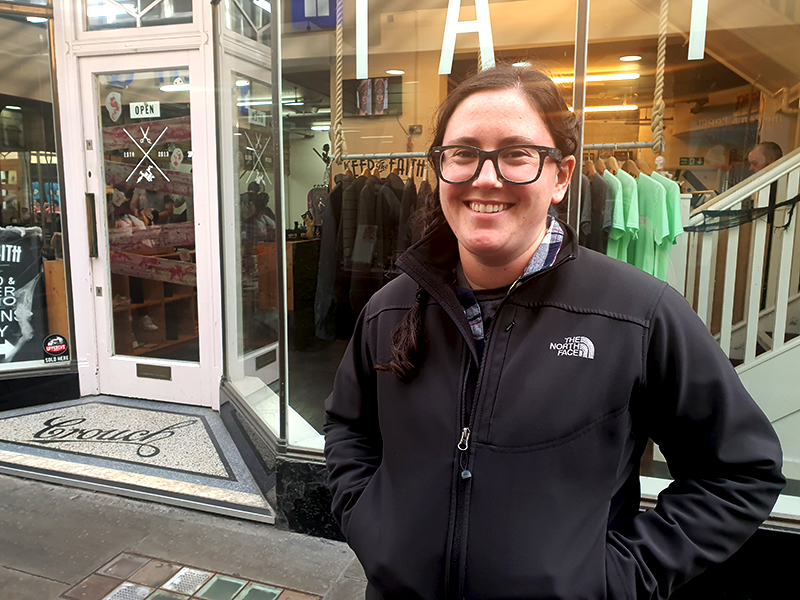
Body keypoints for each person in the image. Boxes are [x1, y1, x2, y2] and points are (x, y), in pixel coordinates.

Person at [323, 66, 785, 600]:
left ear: (561, 176)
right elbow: (348, 428)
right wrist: (370, 524)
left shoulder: (636, 314)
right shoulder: (390, 308)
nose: (486, 177)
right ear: (440, 169)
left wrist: (614, 577)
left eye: (516, 154)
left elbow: (739, 470)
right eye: (464, 153)